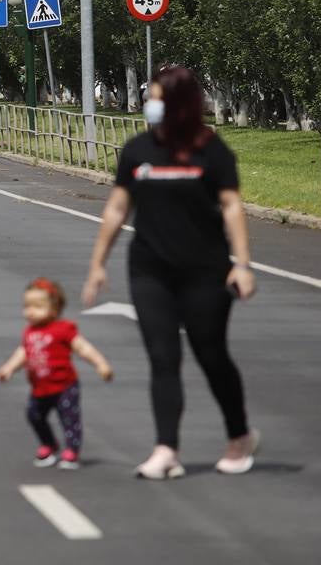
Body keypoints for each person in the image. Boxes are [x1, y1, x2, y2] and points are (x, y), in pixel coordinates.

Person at [83, 66, 258, 479]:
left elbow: (232, 207)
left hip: (205, 271)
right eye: (149, 97)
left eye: (158, 97)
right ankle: (166, 449)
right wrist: (97, 264)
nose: (151, 105)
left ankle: (239, 436)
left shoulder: (210, 151)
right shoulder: (138, 150)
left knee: (211, 354)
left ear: (179, 103)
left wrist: (243, 265)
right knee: (164, 358)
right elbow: (117, 208)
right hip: (150, 270)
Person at [0, 278, 113, 470]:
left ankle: (72, 450)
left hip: (65, 386)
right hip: (40, 388)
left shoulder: (63, 329)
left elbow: (83, 348)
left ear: (55, 308)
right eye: (27, 306)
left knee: (69, 418)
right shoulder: (29, 332)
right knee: (34, 415)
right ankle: (49, 444)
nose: (30, 311)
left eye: (37, 306)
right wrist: (9, 368)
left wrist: (101, 364)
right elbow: (23, 352)